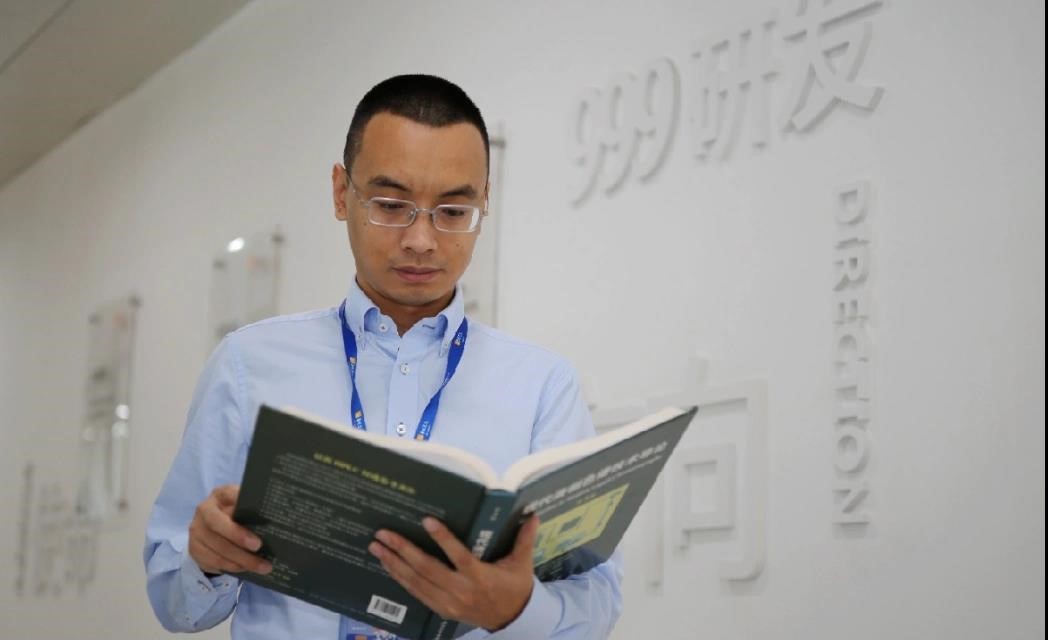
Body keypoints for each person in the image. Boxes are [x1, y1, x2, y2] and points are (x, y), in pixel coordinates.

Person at [143, 74, 622, 639]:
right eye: (392, 205)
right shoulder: (249, 365)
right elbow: (175, 602)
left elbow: (596, 596)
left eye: (453, 211)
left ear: (485, 201)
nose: (421, 240)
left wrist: (513, 608)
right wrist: (206, 559)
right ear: (340, 192)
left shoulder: (541, 386)